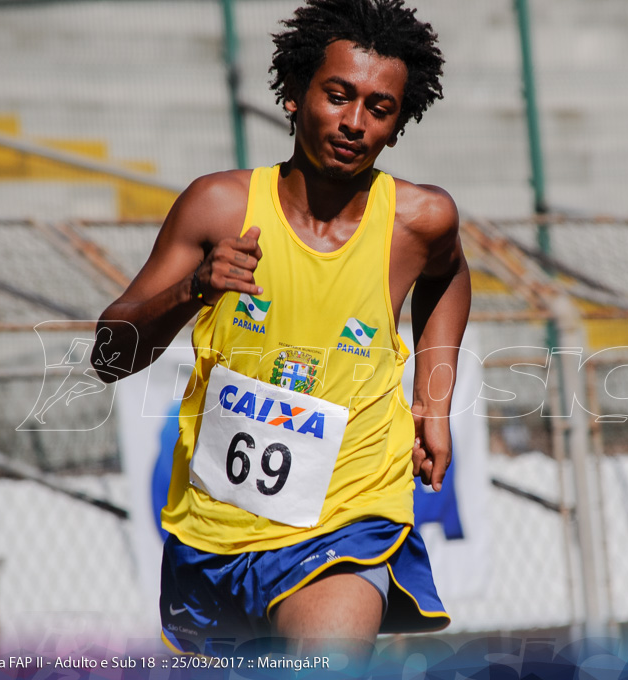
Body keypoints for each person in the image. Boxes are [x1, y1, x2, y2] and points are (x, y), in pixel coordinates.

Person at [91, 0, 470, 664]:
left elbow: (448, 275)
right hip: (214, 531)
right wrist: (193, 289)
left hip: (348, 515)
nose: (354, 122)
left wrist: (434, 404)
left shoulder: (421, 219)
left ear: (398, 125)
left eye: (379, 108)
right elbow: (108, 355)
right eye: (338, 95)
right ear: (294, 96)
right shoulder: (219, 205)